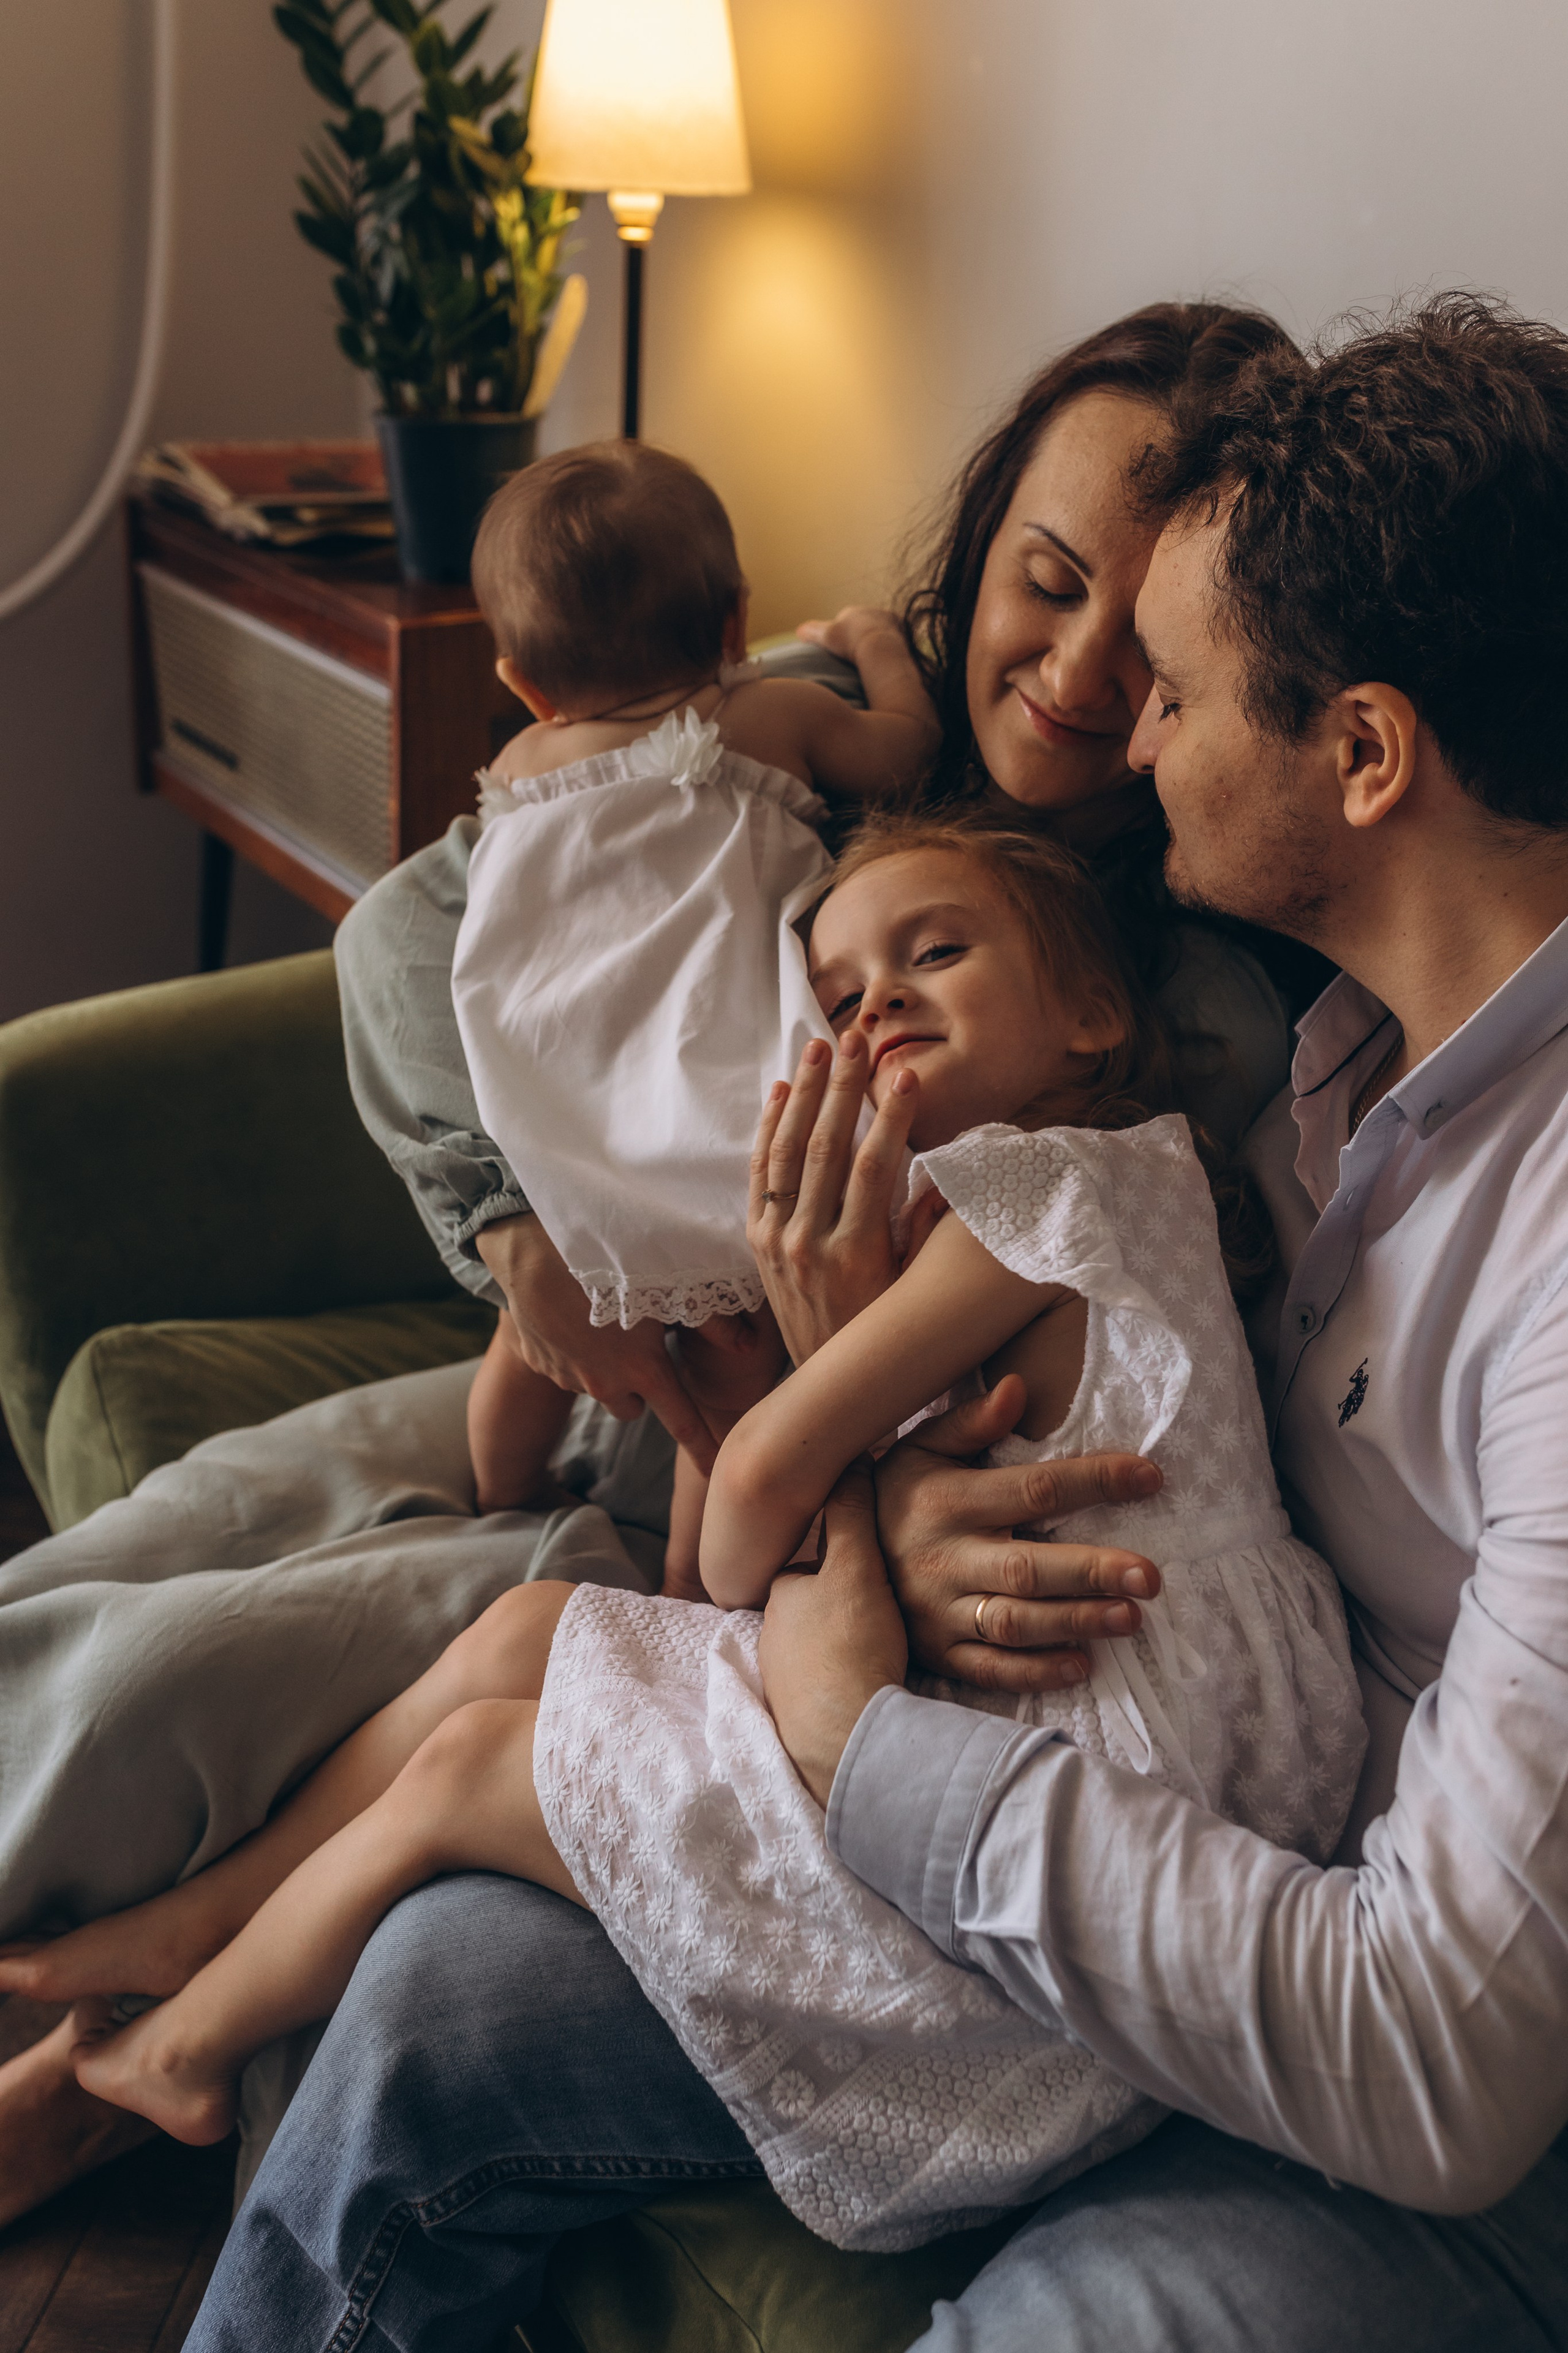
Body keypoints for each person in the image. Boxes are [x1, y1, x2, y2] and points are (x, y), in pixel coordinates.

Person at [174, 294, 1568, 2351]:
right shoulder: (1312, 1058)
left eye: (1177, 691)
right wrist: (882, 1490)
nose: (1129, 727)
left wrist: (860, 1745)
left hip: (1417, 2068)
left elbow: (1442, 2059)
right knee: (433, 2002)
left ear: (1365, 753)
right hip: (1149, 1804)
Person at [0, 301, 1301, 2226]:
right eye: (1045, 581)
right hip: (605, 1380)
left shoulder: (1187, 977)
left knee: (172, 1679)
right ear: (980, 540)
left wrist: (884, 1499)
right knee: (145, 1552)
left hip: (743, 1523)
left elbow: (1176, 1395)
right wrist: (514, 1235)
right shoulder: (810, 719)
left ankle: (95, 2075)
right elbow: (408, 935)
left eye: (1156, 631)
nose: (1088, 670)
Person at [64, 817, 1361, 2258]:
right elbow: (703, 1590)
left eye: (933, 952)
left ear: (1090, 1017)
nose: (873, 1004)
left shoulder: (1061, 1185)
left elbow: (748, 1537)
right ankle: (202, 1930)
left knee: (469, 1766)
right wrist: (775, 1331)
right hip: (1026, 1721)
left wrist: (802, 1353)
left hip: (1092, 1826)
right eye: (835, 991)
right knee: (521, 1634)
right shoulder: (941, 1228)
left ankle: (189, 2049)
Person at [451, 439, 939, 1586]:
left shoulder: (522, 763)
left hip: (565, 1120)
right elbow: (906, 752)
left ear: (523, 681)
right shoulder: (764, 722)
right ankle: (686, 1583)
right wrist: (873, 643)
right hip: (716, 1119)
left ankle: (501, 1496)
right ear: (736, 622)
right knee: (729, 1365)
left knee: (527, 1340)